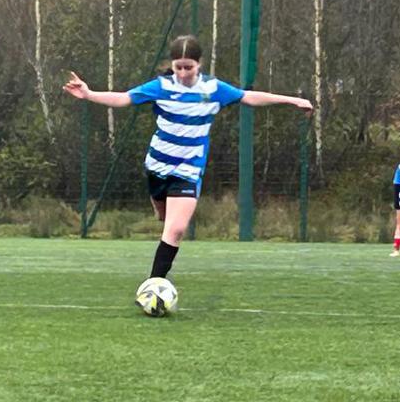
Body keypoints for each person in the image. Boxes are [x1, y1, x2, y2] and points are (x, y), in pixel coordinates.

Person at [63, 35, 314, 281]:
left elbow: (248, 96)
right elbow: (123, 98)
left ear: (199, 64)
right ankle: (161, 221)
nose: (183, 73)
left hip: (188, 169)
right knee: (163, 218)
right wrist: (89, 94)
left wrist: (292, 100)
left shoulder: (213, 89)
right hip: (157, 165)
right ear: (172, 65)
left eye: (188, 67)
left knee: (176, 229)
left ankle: (154, 284)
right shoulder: (161, 87)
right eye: (178, 67)